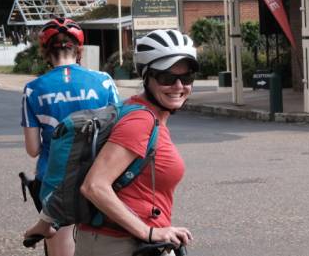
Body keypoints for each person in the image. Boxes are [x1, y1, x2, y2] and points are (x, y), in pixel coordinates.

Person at [28, 29, 198, 255]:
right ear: (147, 77)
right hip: (119, 245)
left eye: (186, 78)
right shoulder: (140, 120)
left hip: (127, 242)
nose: (179, 86)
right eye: (167, 78)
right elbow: (94, 186)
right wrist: (148, 232)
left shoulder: (142, 112)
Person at [21, 17, 122, 256]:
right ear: (78, 50)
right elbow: (121, 130)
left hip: (55, 181)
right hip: (101, 176)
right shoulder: (104, 82)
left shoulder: (33, 89)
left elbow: (33, 149)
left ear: (46, 52)